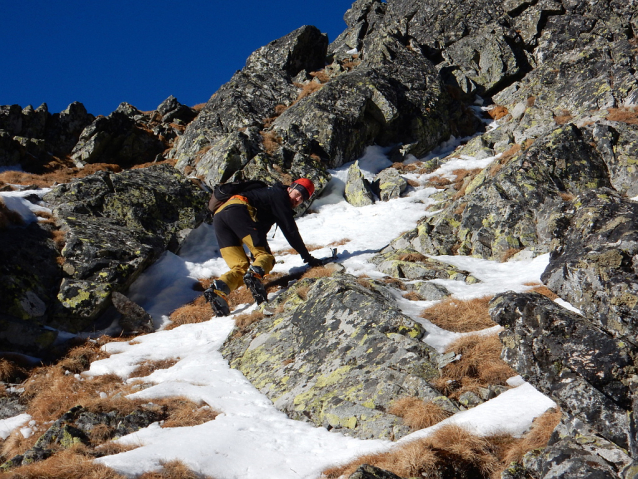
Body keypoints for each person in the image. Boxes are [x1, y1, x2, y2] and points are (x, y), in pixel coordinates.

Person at [204, 178, 323, 316]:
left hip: (219, 217)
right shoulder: (280, 195)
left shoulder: (269, 196)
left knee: (240, 266)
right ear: (290, 188)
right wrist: (308, 257)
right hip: (238, 209)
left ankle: (217, 291)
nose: (297, 199)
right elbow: (290, 231)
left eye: (302, 198)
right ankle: (254, 276)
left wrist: (257, 255)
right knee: (266, 258)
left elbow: (259, 231)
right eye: (297, 193)